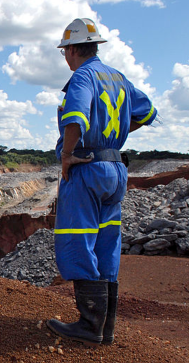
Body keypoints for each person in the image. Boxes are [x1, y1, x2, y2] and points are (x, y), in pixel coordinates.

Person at [47, 18, 157, 346]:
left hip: (87, 168)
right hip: (115, 169)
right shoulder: (118, 78)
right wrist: (115, 135)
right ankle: (105, 329)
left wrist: (68, 154)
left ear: (71, 50)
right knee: (107, 242)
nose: (65, 57)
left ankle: (89, 324)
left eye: (65, 50)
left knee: (77, 240)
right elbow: (148, 112)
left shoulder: (82, 77)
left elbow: (75, 117)